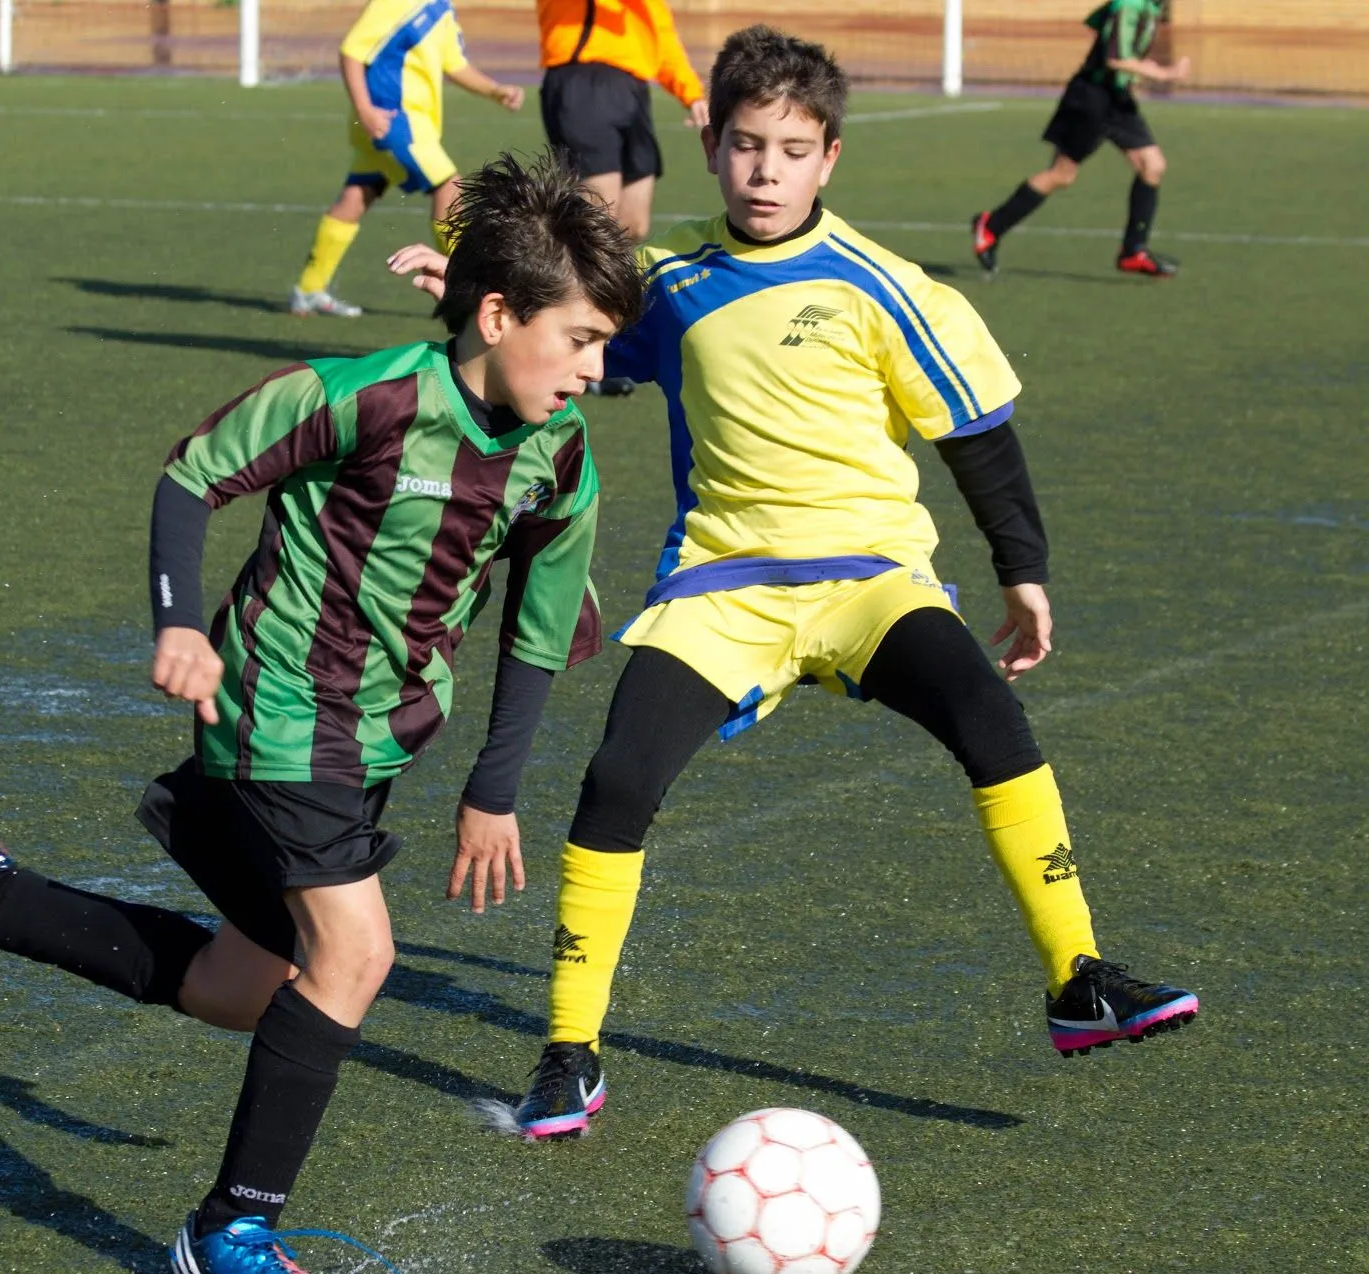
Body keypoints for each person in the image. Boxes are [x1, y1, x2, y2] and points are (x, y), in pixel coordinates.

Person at [392, 26, 1199, 1142]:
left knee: (989, 716)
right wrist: (473, 290)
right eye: (744, 145)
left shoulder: (883, 285)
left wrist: (1024, 577)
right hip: (720, 588)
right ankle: (569, 1055)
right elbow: (570, 333)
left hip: (870, 576)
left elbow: (977, 437)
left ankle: (1080, 981)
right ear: (711, 145)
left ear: (830, 159)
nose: (765, 170)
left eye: (791, 148)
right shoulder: (665, 274)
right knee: (617, 780)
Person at [0, 153, 644, 1274]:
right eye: (577, 338)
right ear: (496, 314)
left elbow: (537, 631)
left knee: (250, 983)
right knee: (358, 957)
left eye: (602, 345)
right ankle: (228, 1231)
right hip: (277, 709)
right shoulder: (367, 398)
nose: (592, 369)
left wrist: (494, 787)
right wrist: (181, 625)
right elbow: (194, 475)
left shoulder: (558, 457)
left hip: (375, 739)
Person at [289, 0, 524, 318]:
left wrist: (495, 90)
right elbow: (351, 51)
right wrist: (365, 110)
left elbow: (455, 64)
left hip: (397, 125)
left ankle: (308, 289)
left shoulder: (441, 8)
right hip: (395, 123)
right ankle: (471, 290)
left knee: (357, 194)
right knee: (448, 186)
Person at [536, 0, 709, 394]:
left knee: (631, 223)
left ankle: (585, 332)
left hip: (632, 87)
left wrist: (690, 91)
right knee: (598, 220)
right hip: (583, 76)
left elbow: (659, 34)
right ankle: (574, 348)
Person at [972, 0, 1189, 279]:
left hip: (1117, 99)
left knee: (1153, 165)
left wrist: (1138, 68)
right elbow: (1115, 57)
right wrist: (1164, 74)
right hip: (1091, 98)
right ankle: (991, 226)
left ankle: (1133, 251)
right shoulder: (1129, 6)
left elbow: (1098, 25)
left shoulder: (1152, 7)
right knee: (1062, 174)